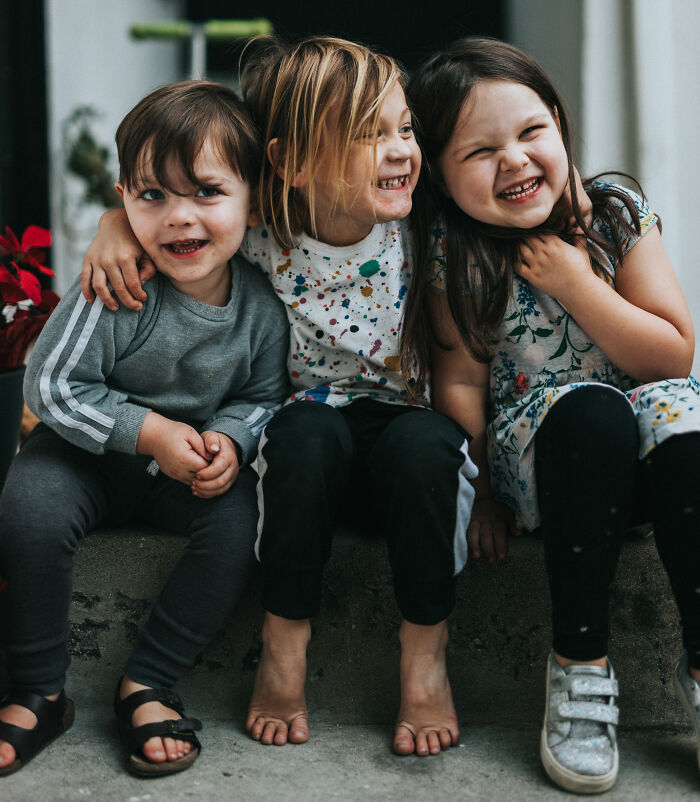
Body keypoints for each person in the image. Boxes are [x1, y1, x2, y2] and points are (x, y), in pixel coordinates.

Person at [78, 37, 478, 758]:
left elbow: (459, 371)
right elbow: (186, 215)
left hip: (405, 448)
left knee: (429, 444)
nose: (399, 150)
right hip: (304, 458)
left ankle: (425, 658)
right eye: (367, 135)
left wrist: (496, 494)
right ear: (292, 164)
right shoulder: (267, 232)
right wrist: (112, 225)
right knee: (305, 431)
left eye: (404, 128)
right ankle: (284, 644)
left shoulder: (424, 228)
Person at [403, 36, 700, 793]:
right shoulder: (456, 253)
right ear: (438, 172)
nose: (515, 160)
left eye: (532, 131)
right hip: (551, 472)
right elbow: (461, 387)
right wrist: (484, 496)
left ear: (560, 126)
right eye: (479, 151)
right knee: (593, 413)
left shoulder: (614, 214)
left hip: (650, 467)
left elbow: (672, 354)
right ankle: (579, 664)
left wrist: (576, 282)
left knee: (680, 408)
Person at [0, 80, 289, 778]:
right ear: (124, 198)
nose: (178, 219)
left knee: (236, 528)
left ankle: (148, 682)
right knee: (28, 507)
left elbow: (263, 394)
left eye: (207, 194)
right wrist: (148, 430)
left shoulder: (261, 307)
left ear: (254, 200)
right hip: (79, 456)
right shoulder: (119, 283)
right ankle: (39, 688)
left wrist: (231, 437)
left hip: (185, 471)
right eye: (151, 195)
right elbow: (51, 384)